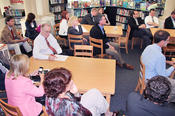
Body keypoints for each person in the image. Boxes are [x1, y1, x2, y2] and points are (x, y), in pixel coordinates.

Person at [43, 67, 111, 116]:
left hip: (75, 108)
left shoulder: (51, 92)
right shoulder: (70, 107)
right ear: (63, 87)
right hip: (79, 111)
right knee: (94, 108)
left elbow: (77, 101)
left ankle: (107, 113)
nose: (72, 81)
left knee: (94, 92)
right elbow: (86, 113)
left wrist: (76, 93)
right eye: (69, 81)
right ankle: (106, 113)